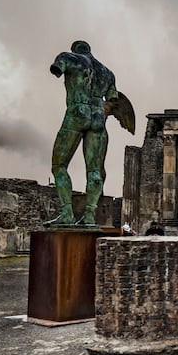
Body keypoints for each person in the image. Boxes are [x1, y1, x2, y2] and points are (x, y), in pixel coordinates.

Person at [44, 40, 133, 227]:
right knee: (94, 171)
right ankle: (90, 215)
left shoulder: (67, 57)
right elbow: (112, 99)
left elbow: (56, 70)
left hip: (77, 112)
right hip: (98, 117)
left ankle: (67, 214)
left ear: (75, 49)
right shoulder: (108, 73)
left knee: (59, 165)